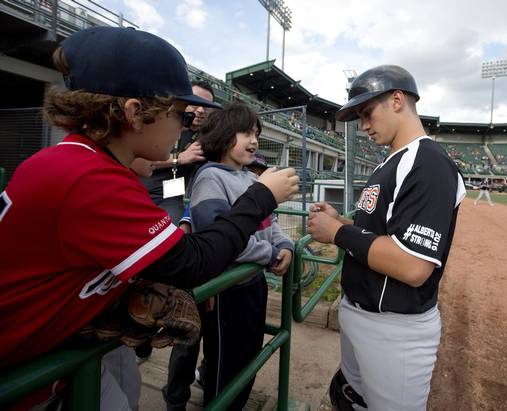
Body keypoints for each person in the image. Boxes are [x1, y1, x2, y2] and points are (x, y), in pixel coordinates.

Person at [0, 26, 299, 410]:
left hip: (55, 350)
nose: (186, 122)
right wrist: (262, 195)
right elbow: (193, 262)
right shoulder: (88, 177)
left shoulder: (80, 160)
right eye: (179, 112)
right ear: (135, 113)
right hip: (23, 378)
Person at [307, 65, 465, 411]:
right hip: (361, 314)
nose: (363, 126)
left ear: (397, 100)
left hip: (396, 331)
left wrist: (336, 232)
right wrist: (343, 221)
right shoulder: (391, 161)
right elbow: (379, 230)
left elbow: (413, 265)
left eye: (367, 113)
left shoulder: (429, 163)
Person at [163, 102, 293, 411]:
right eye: (245, 132)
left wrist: (286, 245)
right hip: (226, 292)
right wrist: (269, 253)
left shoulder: (251, 179)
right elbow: (219, 237)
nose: (254, 140)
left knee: (247, 356)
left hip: (253, 285)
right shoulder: (210, 179)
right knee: (226, 366)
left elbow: (270, 224)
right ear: (222, 134)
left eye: (256, 133)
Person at [139, 80, 217, 224]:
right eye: (195, 103)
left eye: (206, 106)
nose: (200, 110)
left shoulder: (209, 137)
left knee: (172, 229)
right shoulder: (161, 122)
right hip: (140, 189)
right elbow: (140, 162)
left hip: (172, 197)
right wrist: (180, 158)